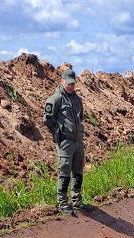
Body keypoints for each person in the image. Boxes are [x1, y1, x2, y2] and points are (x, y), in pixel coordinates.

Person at [42, 66, 87, 216]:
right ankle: (63, 203)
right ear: (62, 81)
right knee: (64, 172)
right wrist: (57, 132)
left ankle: (77, 200)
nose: (71, 86)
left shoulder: (77, 99)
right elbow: (47, 119)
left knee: (78, 171)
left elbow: (80, 118)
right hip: (65, 142)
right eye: (68, 83)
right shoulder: (55, 99)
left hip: (77, 141)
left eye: (73, 83)